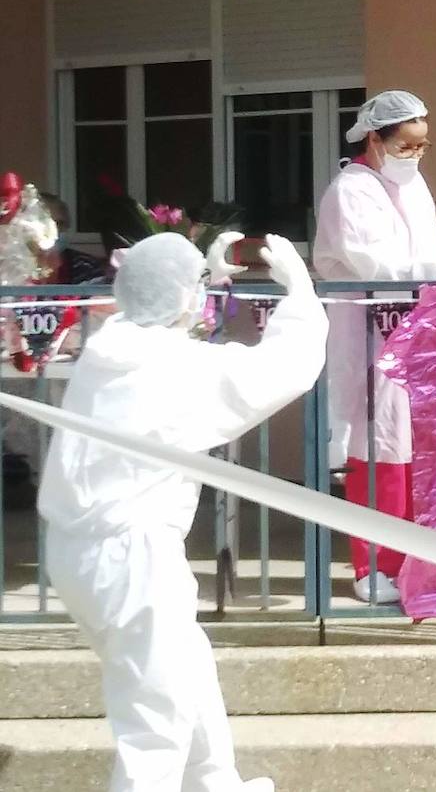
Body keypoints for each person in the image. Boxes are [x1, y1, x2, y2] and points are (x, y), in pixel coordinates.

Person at [39, 231, 325, 792]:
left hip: (83, 552)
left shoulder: (111, 349)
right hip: (130, 559)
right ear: (180, 299)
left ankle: (214, 783)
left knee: (186, 672)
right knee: (154, 720)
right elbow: (284, 368)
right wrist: (300, 291)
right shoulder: (171, 371)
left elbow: (172, 325)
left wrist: (206, 283)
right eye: (191, 289)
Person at [312, 90, 436, 604]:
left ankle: (414, 560)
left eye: (424, 146)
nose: (417, 156)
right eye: (408, 146)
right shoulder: (349, 191)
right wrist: (431, 270)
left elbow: (432, 241)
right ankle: (372, 565)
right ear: (375, 140)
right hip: (369, 330)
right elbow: (367, 262)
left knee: (416, 447)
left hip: (416, 328)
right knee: (378, 446)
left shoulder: (415, 185)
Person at [39, 193, 108, 284]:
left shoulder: (86, 265)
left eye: (60, 224)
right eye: (46, 223)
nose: (55, 230)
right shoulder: (16, 268)